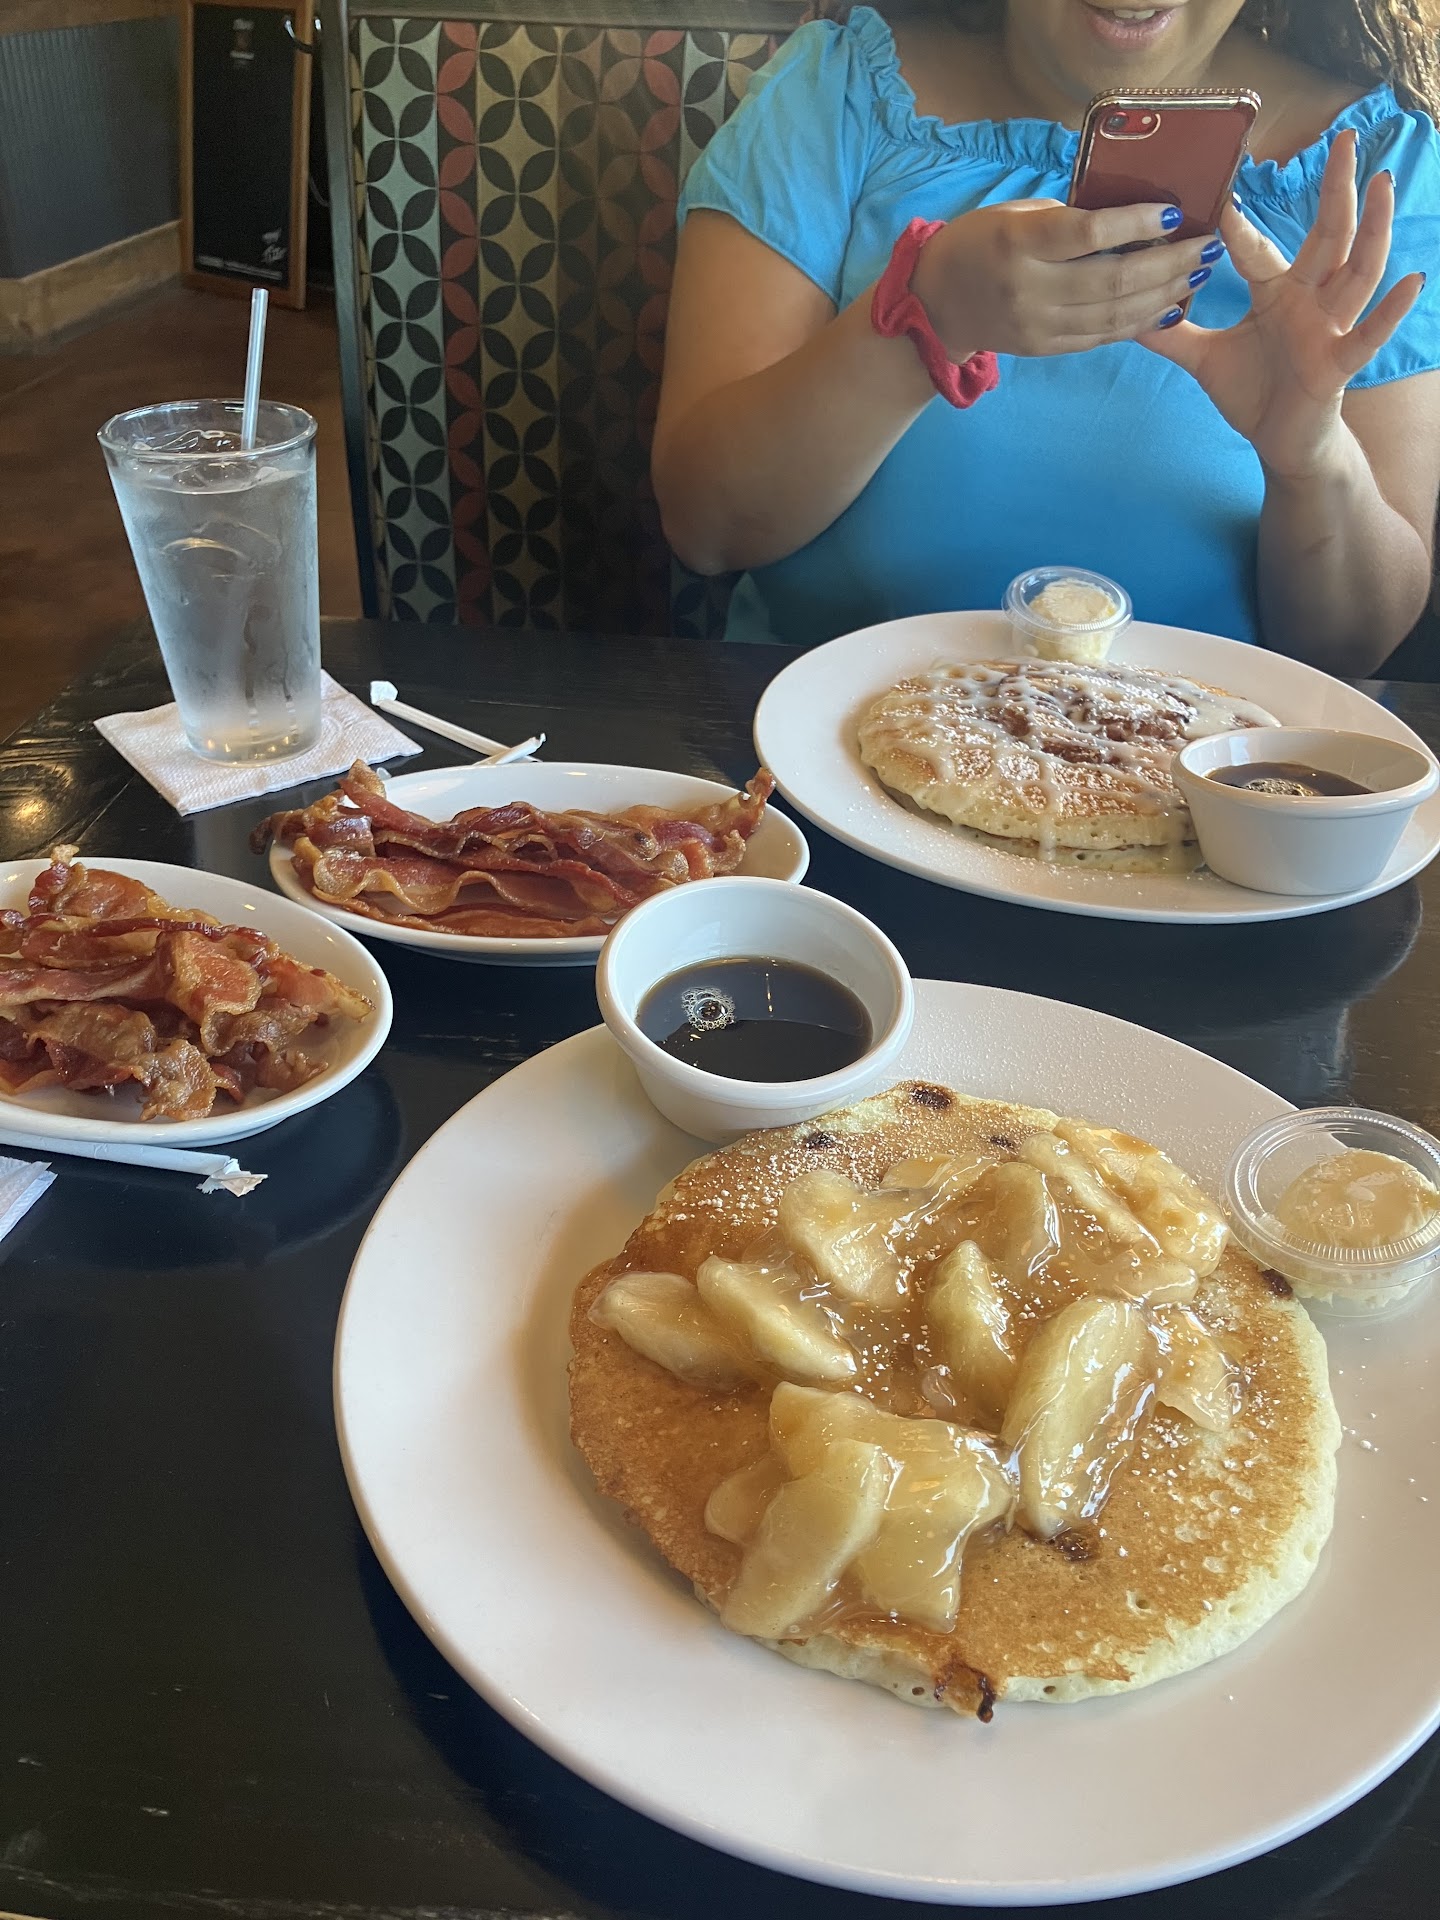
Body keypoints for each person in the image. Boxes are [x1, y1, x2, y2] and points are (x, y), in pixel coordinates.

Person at [652, 0, 1440, 672]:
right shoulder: (835, 94)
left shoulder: (1378, 165)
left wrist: (1312, 459)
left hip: (1206, 780)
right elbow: (707, 529)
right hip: (826, 755)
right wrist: (926, 318)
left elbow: (1352, 649)